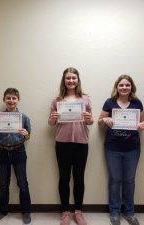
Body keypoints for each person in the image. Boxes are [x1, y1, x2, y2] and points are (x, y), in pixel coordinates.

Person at [98, 75, 144, 225]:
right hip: (112, 148)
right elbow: (99, 123)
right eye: (121, 85)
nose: (124, 87)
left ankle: (130, 212)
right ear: (117, 87)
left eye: (127, 85)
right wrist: (105, 120)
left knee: (129, 180)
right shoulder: (109, 102)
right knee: (115, 180)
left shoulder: (137, 103)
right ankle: (114, 212)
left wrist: (143, 125)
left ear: (131, 87)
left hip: (132, 148)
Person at [48, 67, 94, 225]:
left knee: (79, 178)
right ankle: (65, 212)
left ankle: (78, 212)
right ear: (64, 80)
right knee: (64, 177)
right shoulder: (57, 100)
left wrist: (88, 118)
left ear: (78, 80)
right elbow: (51, 123)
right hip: (62, 143)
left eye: (74, 78)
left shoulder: (86, 99)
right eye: (68, 78)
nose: (71, 81)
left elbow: (91, 121)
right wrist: (53, 118)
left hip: (81, 142)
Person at [0, 88, 32, 225]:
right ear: (4, 100)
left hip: (18, 152)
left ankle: (26, 211)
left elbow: (28, 136)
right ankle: (2, 211)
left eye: (14, 98)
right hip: (2, 152)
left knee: (22, 183)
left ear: (18, 100)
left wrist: (26, 134)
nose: (11, 101)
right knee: (3, 184)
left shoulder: (24, 117)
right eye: (8, 98)